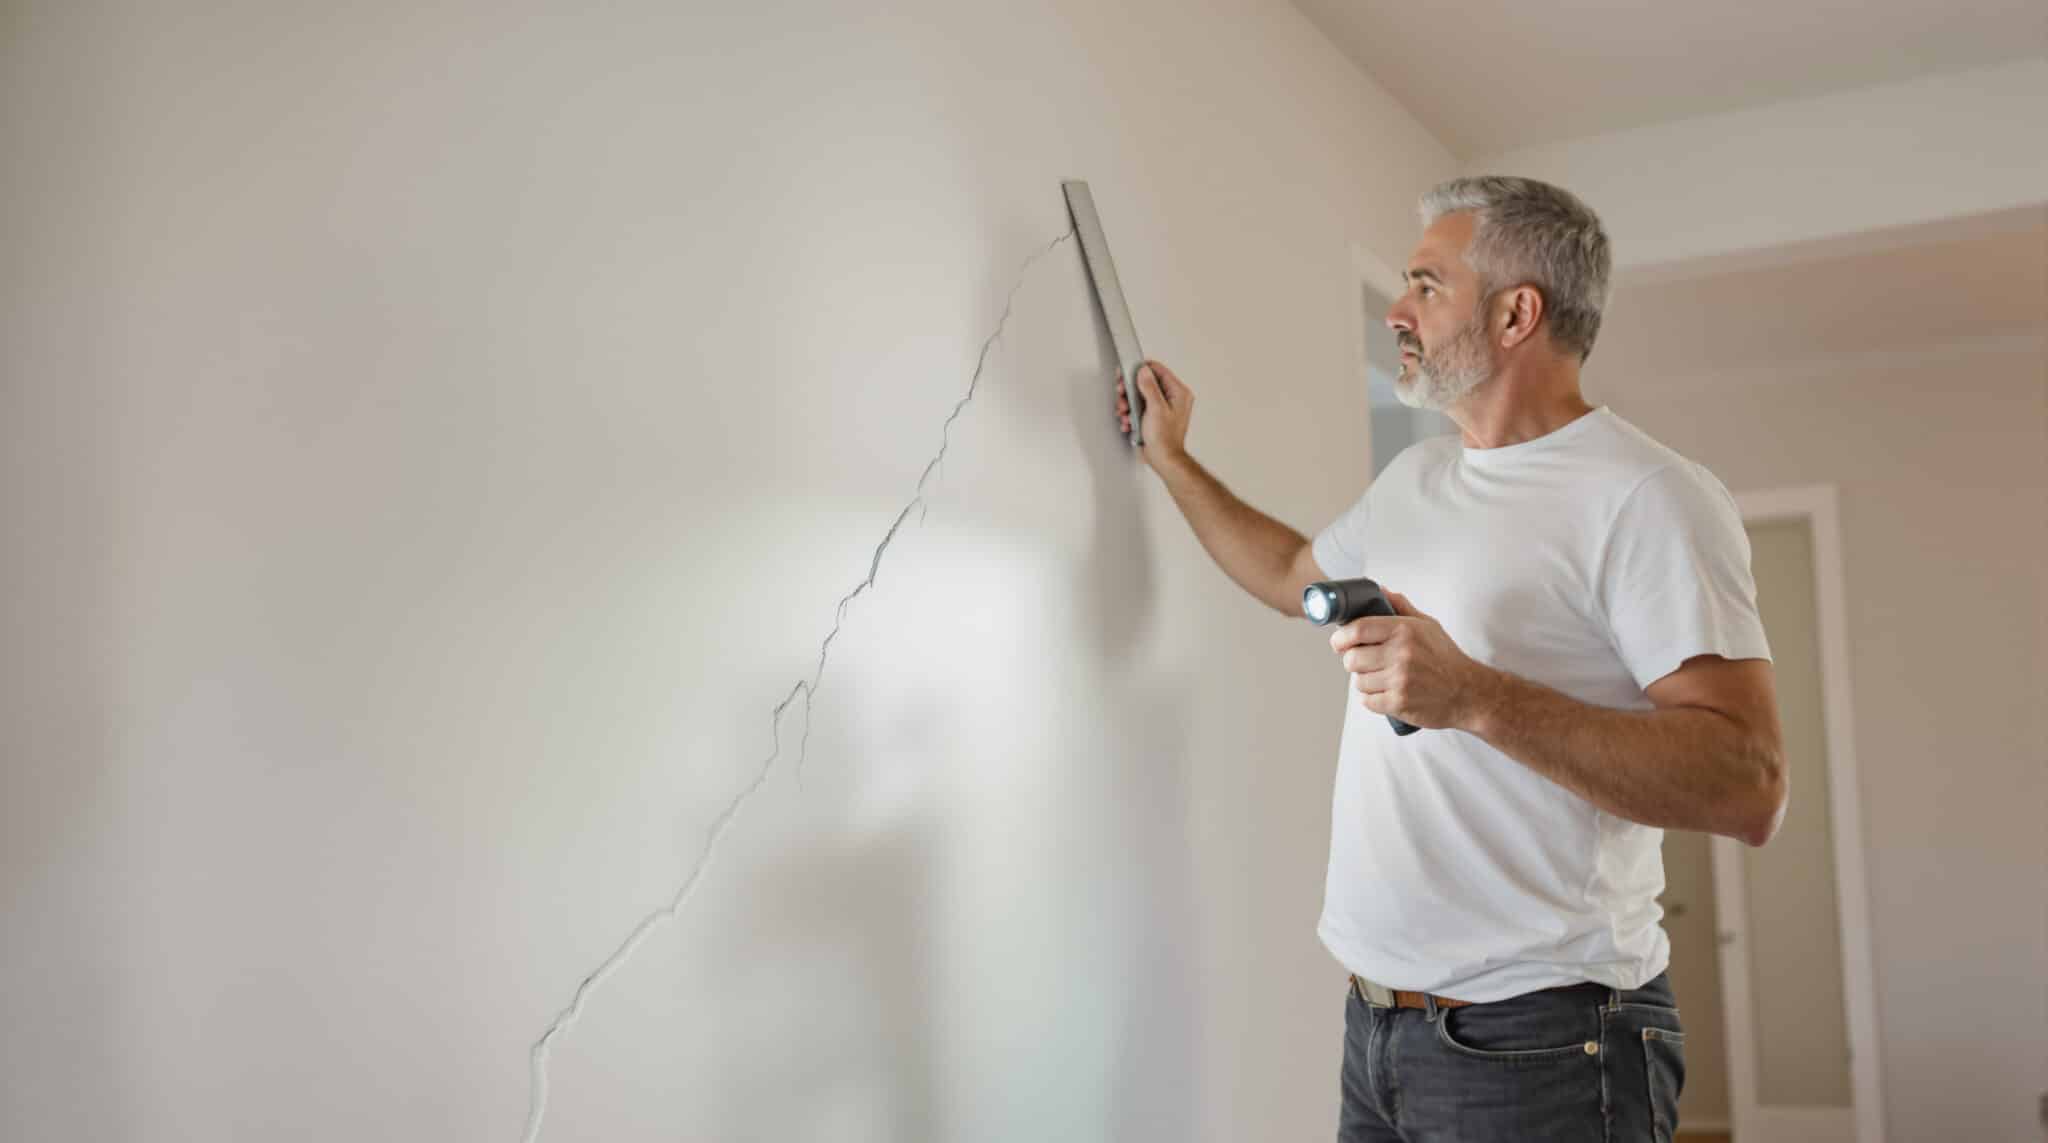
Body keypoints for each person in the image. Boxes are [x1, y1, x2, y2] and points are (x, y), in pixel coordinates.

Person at [1111, 175, 1786, 1142]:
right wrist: (1173, 458)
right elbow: (1292, 572)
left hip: (1547, 1045)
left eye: (1426, 284)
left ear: (1517, 314)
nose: (1396, 309)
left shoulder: (1648, 497)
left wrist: (1474, 696)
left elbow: (1749, 781)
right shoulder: (1421, 476)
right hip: (1380, 1030)